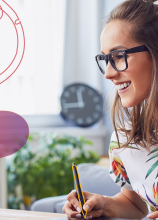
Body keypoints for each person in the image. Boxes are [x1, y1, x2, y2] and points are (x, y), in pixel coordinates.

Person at [62, 0, 158, 219]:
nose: (108, 73)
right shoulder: (125, 138)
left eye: (118, 56)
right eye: (105, 59)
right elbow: (135, 204)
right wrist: (102, 204)